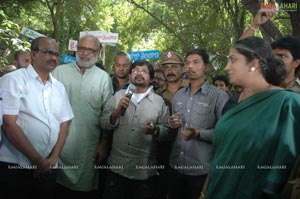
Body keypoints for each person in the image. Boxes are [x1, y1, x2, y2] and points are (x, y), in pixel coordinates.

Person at [203, 36, 300, 199]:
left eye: (233, 60)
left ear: (254, 64)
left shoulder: (289, 103)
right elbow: (220, 154)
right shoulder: (234, 101)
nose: (227, 67)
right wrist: (204, 193)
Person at [0, 37, 73, 199]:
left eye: (56, 54)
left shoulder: (59, 88)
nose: (53, 57)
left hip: (48, 168)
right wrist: (37, 160)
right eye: (47, 52)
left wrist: (53, 159)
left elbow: (65, 123)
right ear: (33, 54)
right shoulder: (13, 80)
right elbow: (8, 124)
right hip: (15, 166)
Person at [52, 35, 113, 198]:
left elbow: (107, 115)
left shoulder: (103, 78)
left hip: (89, 148)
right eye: (82, 48)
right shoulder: (59, 72)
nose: (85, 53)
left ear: (98, 52)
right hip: (58, 145)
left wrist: (104, 143)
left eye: (91, 50)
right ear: (76, 49)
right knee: (57, 189)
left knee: (84, 190)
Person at [100, 60, 169, 199]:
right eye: (135, 70)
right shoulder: (119, 96)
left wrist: (156, 129)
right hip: (117, 168)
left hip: (143, 172)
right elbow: (103, 123)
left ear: (151, 77)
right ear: (130, 75)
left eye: (144, 71)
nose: (139, 74)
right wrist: (116, 113)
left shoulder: (159, 102)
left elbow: (167, 132)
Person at [168, 48, 229, 199]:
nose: (190, 67)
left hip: (201, 171)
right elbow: (172, 129)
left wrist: (198, 133)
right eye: (187, 63)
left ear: (206, 67)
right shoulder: (178, 95)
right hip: (175, 166)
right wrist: (171, 123)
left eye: (196, 62)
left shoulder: (219, 96)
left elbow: (225, 134)